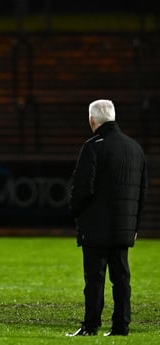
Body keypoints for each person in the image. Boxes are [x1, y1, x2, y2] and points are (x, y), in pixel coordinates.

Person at [67, 99, 147, 337]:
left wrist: (75, 211)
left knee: (95, 279)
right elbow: (143, 192)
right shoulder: (135, 148)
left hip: (96, 226)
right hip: (124, 226)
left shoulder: (93, 146)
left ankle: (90, 326)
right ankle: (121, 327)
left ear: (92, 120)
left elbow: (82, 187)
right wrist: (134, 224)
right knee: (121, 278)